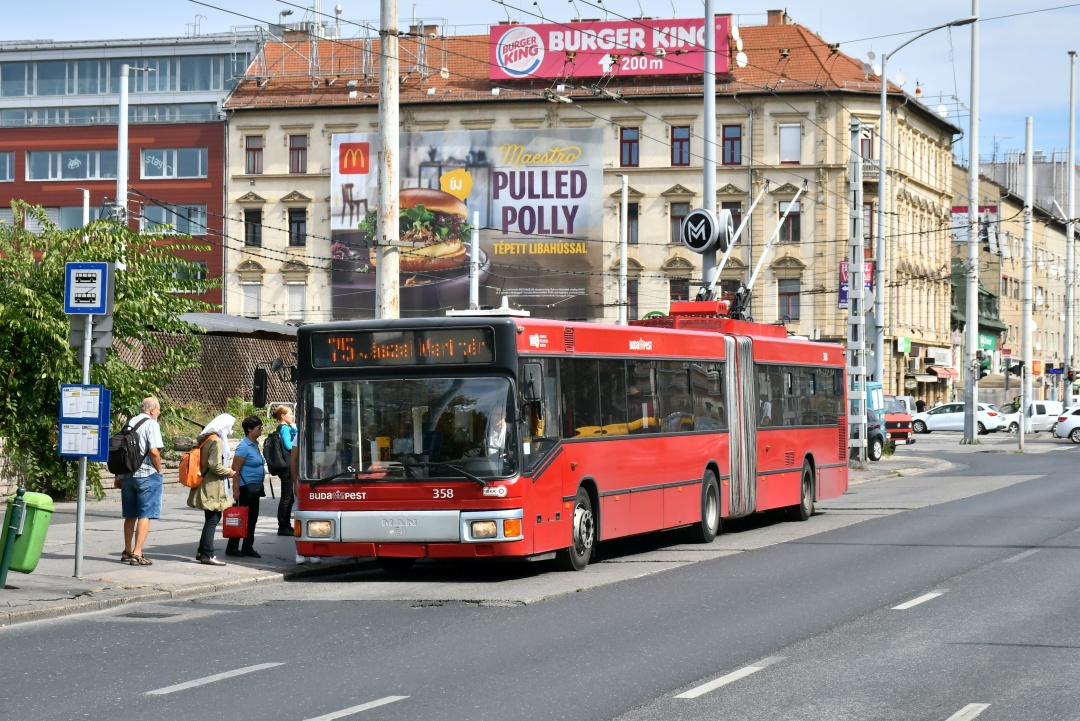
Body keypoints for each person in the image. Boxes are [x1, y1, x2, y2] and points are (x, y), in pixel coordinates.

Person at [118, 396, 164, 566]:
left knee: (130, 514)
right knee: (145, 514)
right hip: (146, 475)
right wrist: (159, 469)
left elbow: (122, 451)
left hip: (127, 475)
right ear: (152, 410)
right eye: (158, 409)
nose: (159, 412)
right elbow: (153, 451)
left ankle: (127, 550)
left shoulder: (129, 423)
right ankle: (137, 553)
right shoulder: (152, 424)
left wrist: (119, 475)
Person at [186, 414, 237, 566]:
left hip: (206, 484)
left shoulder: (207, 439)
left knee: (211, 519)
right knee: (213, 519)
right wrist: (229, 472)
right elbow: (215, 465)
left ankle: (202, 551)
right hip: (213, 486)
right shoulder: (217, 441)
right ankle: (207, 554)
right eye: (229, 427)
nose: (231, 430)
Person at [226, 416, 266, 559]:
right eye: (259, 428)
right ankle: (233, 547)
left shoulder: (255, 444)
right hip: (245, 488)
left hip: (255, 488)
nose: (261, 430)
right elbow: (235, 469)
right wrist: (236, 489)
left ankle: (248, 547)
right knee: (241, 517)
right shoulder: (244, 446)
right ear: (249, 429)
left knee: (252, 518)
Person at [271, 404, 297, 536]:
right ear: (283, 416)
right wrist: (295, 430)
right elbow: (289, 444)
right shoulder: (285, 428)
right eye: (290, 414)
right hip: (287, 465)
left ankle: (286, 525)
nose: (292, 416)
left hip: (284, 465)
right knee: (287, 497)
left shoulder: (282, 428)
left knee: (289, 497)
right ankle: (283, 526)